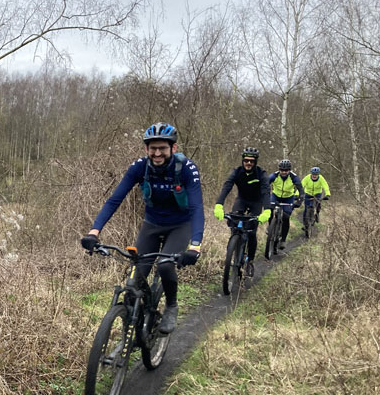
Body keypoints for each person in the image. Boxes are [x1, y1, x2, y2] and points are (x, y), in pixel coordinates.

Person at [80, 122, 204, 334]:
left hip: (180, 225)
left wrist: (195, 245)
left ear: (173, 148)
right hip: (151, 224)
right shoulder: (140, 167)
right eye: (153, 148)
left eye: (162, 148)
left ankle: (171, 306)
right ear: (146, 149)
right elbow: (115, 200)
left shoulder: (186, 168)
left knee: (165, 266)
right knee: (135, 278)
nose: (157, 153)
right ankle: (135, 328)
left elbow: (196, 207)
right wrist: (94, 231)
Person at [213, 147, 271, 277]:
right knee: (234, 225)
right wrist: (219, 204)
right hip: (242, 200)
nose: (248, 163)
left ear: (255, 162)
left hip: (256, 202)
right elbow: (227, 186)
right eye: (246, 160)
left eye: (251, 161)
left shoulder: (261, 174)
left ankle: (250, 261)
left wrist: (267, 210)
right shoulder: (237, 172)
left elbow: (265, 192)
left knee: (252, 232)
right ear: (242, 160)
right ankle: (234, 247)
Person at [267, 159, 304, 251]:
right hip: (275, 196)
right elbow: (265, 185)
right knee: (269, 208)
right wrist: (265, 196)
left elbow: (301, 190)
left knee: (286, 217)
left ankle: (283, 240)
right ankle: (270, 227)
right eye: (282, 170)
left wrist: (299, 201)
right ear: (279, 169)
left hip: (288, 198)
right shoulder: (274, 176)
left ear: (289, 170)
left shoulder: (294, 177)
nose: (283, 172)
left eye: (286, 170)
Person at [301, 166, 331, 233]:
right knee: (306, 209)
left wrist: (328, 194)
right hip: (308, 194)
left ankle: (317, 213)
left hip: (317, 194)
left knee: (318, 205)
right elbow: (301, 186)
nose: (314, 176)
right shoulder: (307, 178)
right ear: (311, 174)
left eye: (316, 174)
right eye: (313, 174)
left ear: (318, 174)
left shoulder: (321, 178)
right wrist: (297, 194)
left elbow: (325, 186)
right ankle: (305, 225)